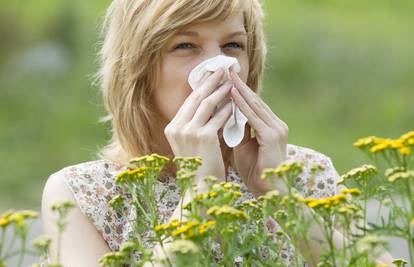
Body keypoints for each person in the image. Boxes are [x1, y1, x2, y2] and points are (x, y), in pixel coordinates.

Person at [41, 0, 395, 266]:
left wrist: (279, 193)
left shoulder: (305, 172)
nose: (219, 68)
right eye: (185, 46)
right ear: (139, 69)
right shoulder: (82, 194)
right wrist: (199, 192)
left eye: (232, 46)